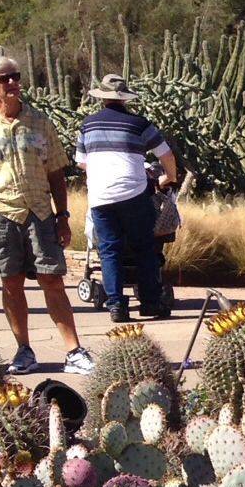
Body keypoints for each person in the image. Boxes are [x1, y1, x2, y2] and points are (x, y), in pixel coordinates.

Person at [0, 53, 93, 374]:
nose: (13, 82)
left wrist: (62, 216)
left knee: (52, 280)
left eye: (15, 75)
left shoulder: (40, 121)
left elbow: (56, 173)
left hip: (40, 211)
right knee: (11, 283)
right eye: (4, 78)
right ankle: (23, 351)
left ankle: (74, 351)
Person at [74, 75, 179, 323]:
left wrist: (103, 172)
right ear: (125, 99)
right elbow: (166, 155)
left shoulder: (87, 125)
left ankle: (116, 306)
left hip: (101, 196)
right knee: (145, 248)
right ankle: (150, 303)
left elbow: (81, 161)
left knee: (109, 250)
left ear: (102, 98)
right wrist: (170, 177)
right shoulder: (140, 124)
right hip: (134, 193)